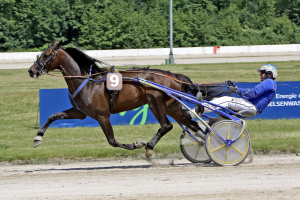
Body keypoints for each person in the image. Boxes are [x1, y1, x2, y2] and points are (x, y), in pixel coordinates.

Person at [189, 64, 277, 119]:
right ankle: (200, 109)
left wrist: (236, 90)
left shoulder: (270, 82)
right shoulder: (270, 83)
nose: (260, 74)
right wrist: (235, 88)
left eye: (262, 72)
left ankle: (193, 113)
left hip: (253, 107)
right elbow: (247, 95)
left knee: (226, 100)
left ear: (269, 74)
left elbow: (253, 93)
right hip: (250, 104)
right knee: (220, 99)